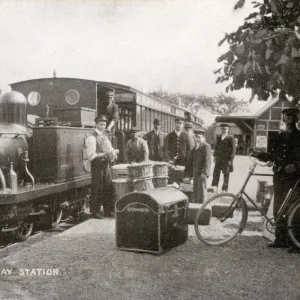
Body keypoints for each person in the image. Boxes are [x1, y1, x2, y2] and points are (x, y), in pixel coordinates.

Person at [254, 108, 300, 250]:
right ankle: (281, 239)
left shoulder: (299, 136)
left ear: (295, 119)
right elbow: (271, 155)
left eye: (291, 116)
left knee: (293, 208)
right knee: (278, 207)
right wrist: (257, 155)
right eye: (286, 116)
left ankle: (295, 241)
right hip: (279, 176)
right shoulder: (280, 137)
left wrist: (296, 165)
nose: (288, 119)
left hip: (293, 177)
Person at [86, 115, 119, 219]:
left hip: (106, 165)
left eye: (104, 124)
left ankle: (108, 211)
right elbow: (91, 156)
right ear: (96, 124)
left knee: (108, 187)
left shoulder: (104, 137)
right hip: (97, 166)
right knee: (97, 188)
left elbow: (109, 148)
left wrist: (113, 152)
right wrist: (105, 154)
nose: (103, 126)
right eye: (101, 124)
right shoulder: (92, 138)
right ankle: (95, 212)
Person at [184, 129, 212, 203]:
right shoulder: (195, 147)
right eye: (196, 137)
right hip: (195, 173)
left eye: (199, 137)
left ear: (203, 137)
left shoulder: (206, 146)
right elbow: (190, 161)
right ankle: (196, 206)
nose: (197, 139)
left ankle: (202, 207)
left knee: (202, 191)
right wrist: (188, 174)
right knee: (196, 191)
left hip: (202, 174)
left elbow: (208, 161)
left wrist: (205, 173)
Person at [211, 123, 236, 192]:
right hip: (218, 159)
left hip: (226, 160)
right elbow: (216, 147)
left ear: (228, 130)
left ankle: (224, 189)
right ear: (221, 129)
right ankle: (214, 187)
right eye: (222, 129)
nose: (224, 130)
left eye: (225, 129)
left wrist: (230, 160)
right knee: (216, 174)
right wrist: (215, 156)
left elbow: (233, 150)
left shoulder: (231, 138)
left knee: (226, 175)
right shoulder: (219, 137)